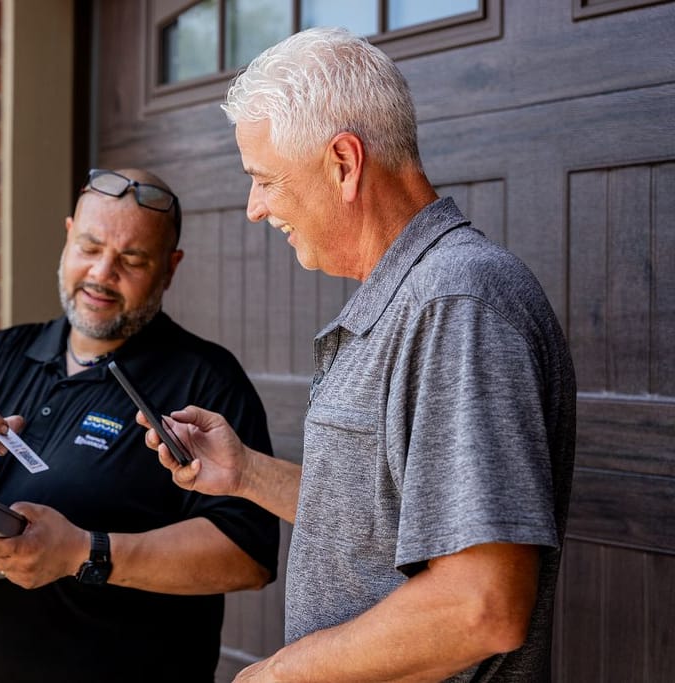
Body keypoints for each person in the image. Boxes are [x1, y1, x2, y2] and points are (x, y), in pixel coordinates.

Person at [141, 28, 577, 682]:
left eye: (264, 180)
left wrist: (279, 674)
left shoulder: (457, 304)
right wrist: (245, 474)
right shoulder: (407, 298)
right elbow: (383, 518)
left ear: (344, 163)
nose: (255, 208)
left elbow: (481, 605)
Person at [0, 167, 279, 683]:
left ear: (169, 268)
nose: (102, 273)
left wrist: (83, 553)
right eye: (90, 247)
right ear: (68, 236)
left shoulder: (205, 380)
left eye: (132, 259)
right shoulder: (3, 354)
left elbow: (246, 555)